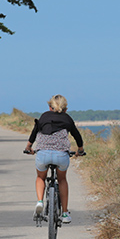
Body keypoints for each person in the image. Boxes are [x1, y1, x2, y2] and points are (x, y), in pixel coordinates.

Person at [25, 94, 85, 223]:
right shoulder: (68, 119)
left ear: (49, 107)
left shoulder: (44, 116)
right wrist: (80, 150)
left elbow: (34, 132)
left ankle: (40, 202)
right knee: (62, 179)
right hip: (61, 155)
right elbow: (77, 136)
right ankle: (64, 213)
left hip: (43, 155)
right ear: (65, 109)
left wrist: (28, 147)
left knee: (40, 177)